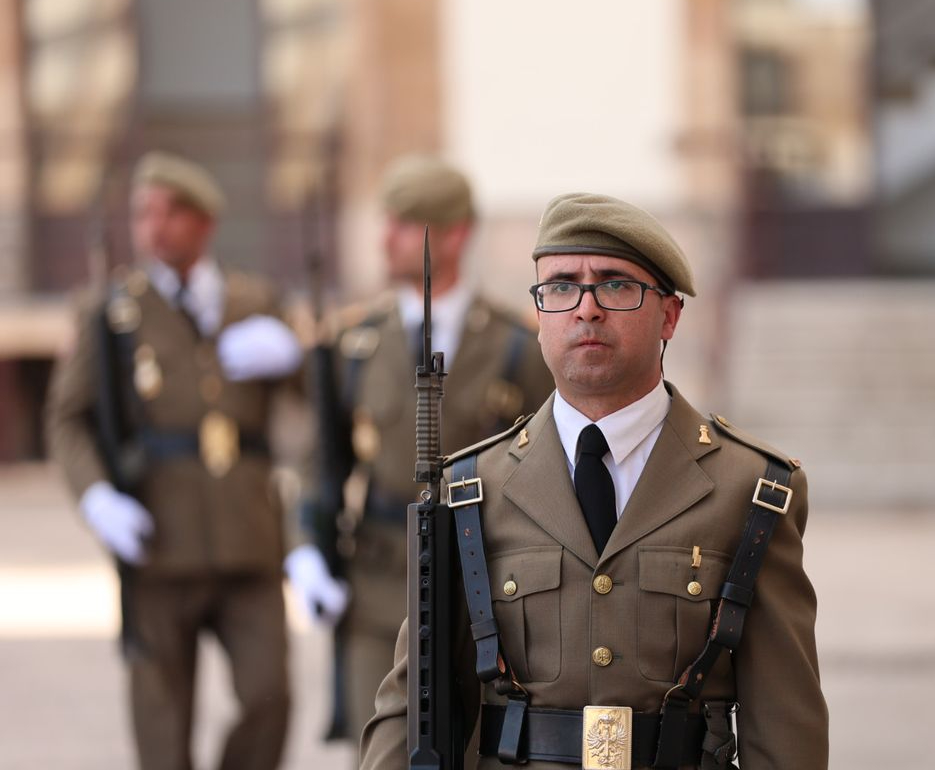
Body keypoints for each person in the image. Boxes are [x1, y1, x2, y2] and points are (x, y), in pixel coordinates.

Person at [360, 192, 828, 768]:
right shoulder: (471, 489)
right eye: (561, 287)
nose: (586, 309)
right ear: (538, 316)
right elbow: (412, 705)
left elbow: (785, 725)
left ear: (670, 315)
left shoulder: (751, 489)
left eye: (615, 285)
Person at [45, 151, 302, 770]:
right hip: (157, 542)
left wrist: (296, 352)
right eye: (143, 213)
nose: (153, 227)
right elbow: (67, 417)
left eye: (169, 213)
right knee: (161, 726)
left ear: (205, 222)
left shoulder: (255, 301)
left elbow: (314, 405)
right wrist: (96, 497)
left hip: (248, 537)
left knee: (269, 696)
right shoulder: (111, 311)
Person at [284, 155, 555, 742]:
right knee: (379, 747)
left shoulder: (518, 346)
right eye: (387, 221)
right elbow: (321, 459)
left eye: (406, 224)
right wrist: (306, 548)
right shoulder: (354, 344)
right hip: (378, 587)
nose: (386, 238)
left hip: (484, 586)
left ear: (455, 234)